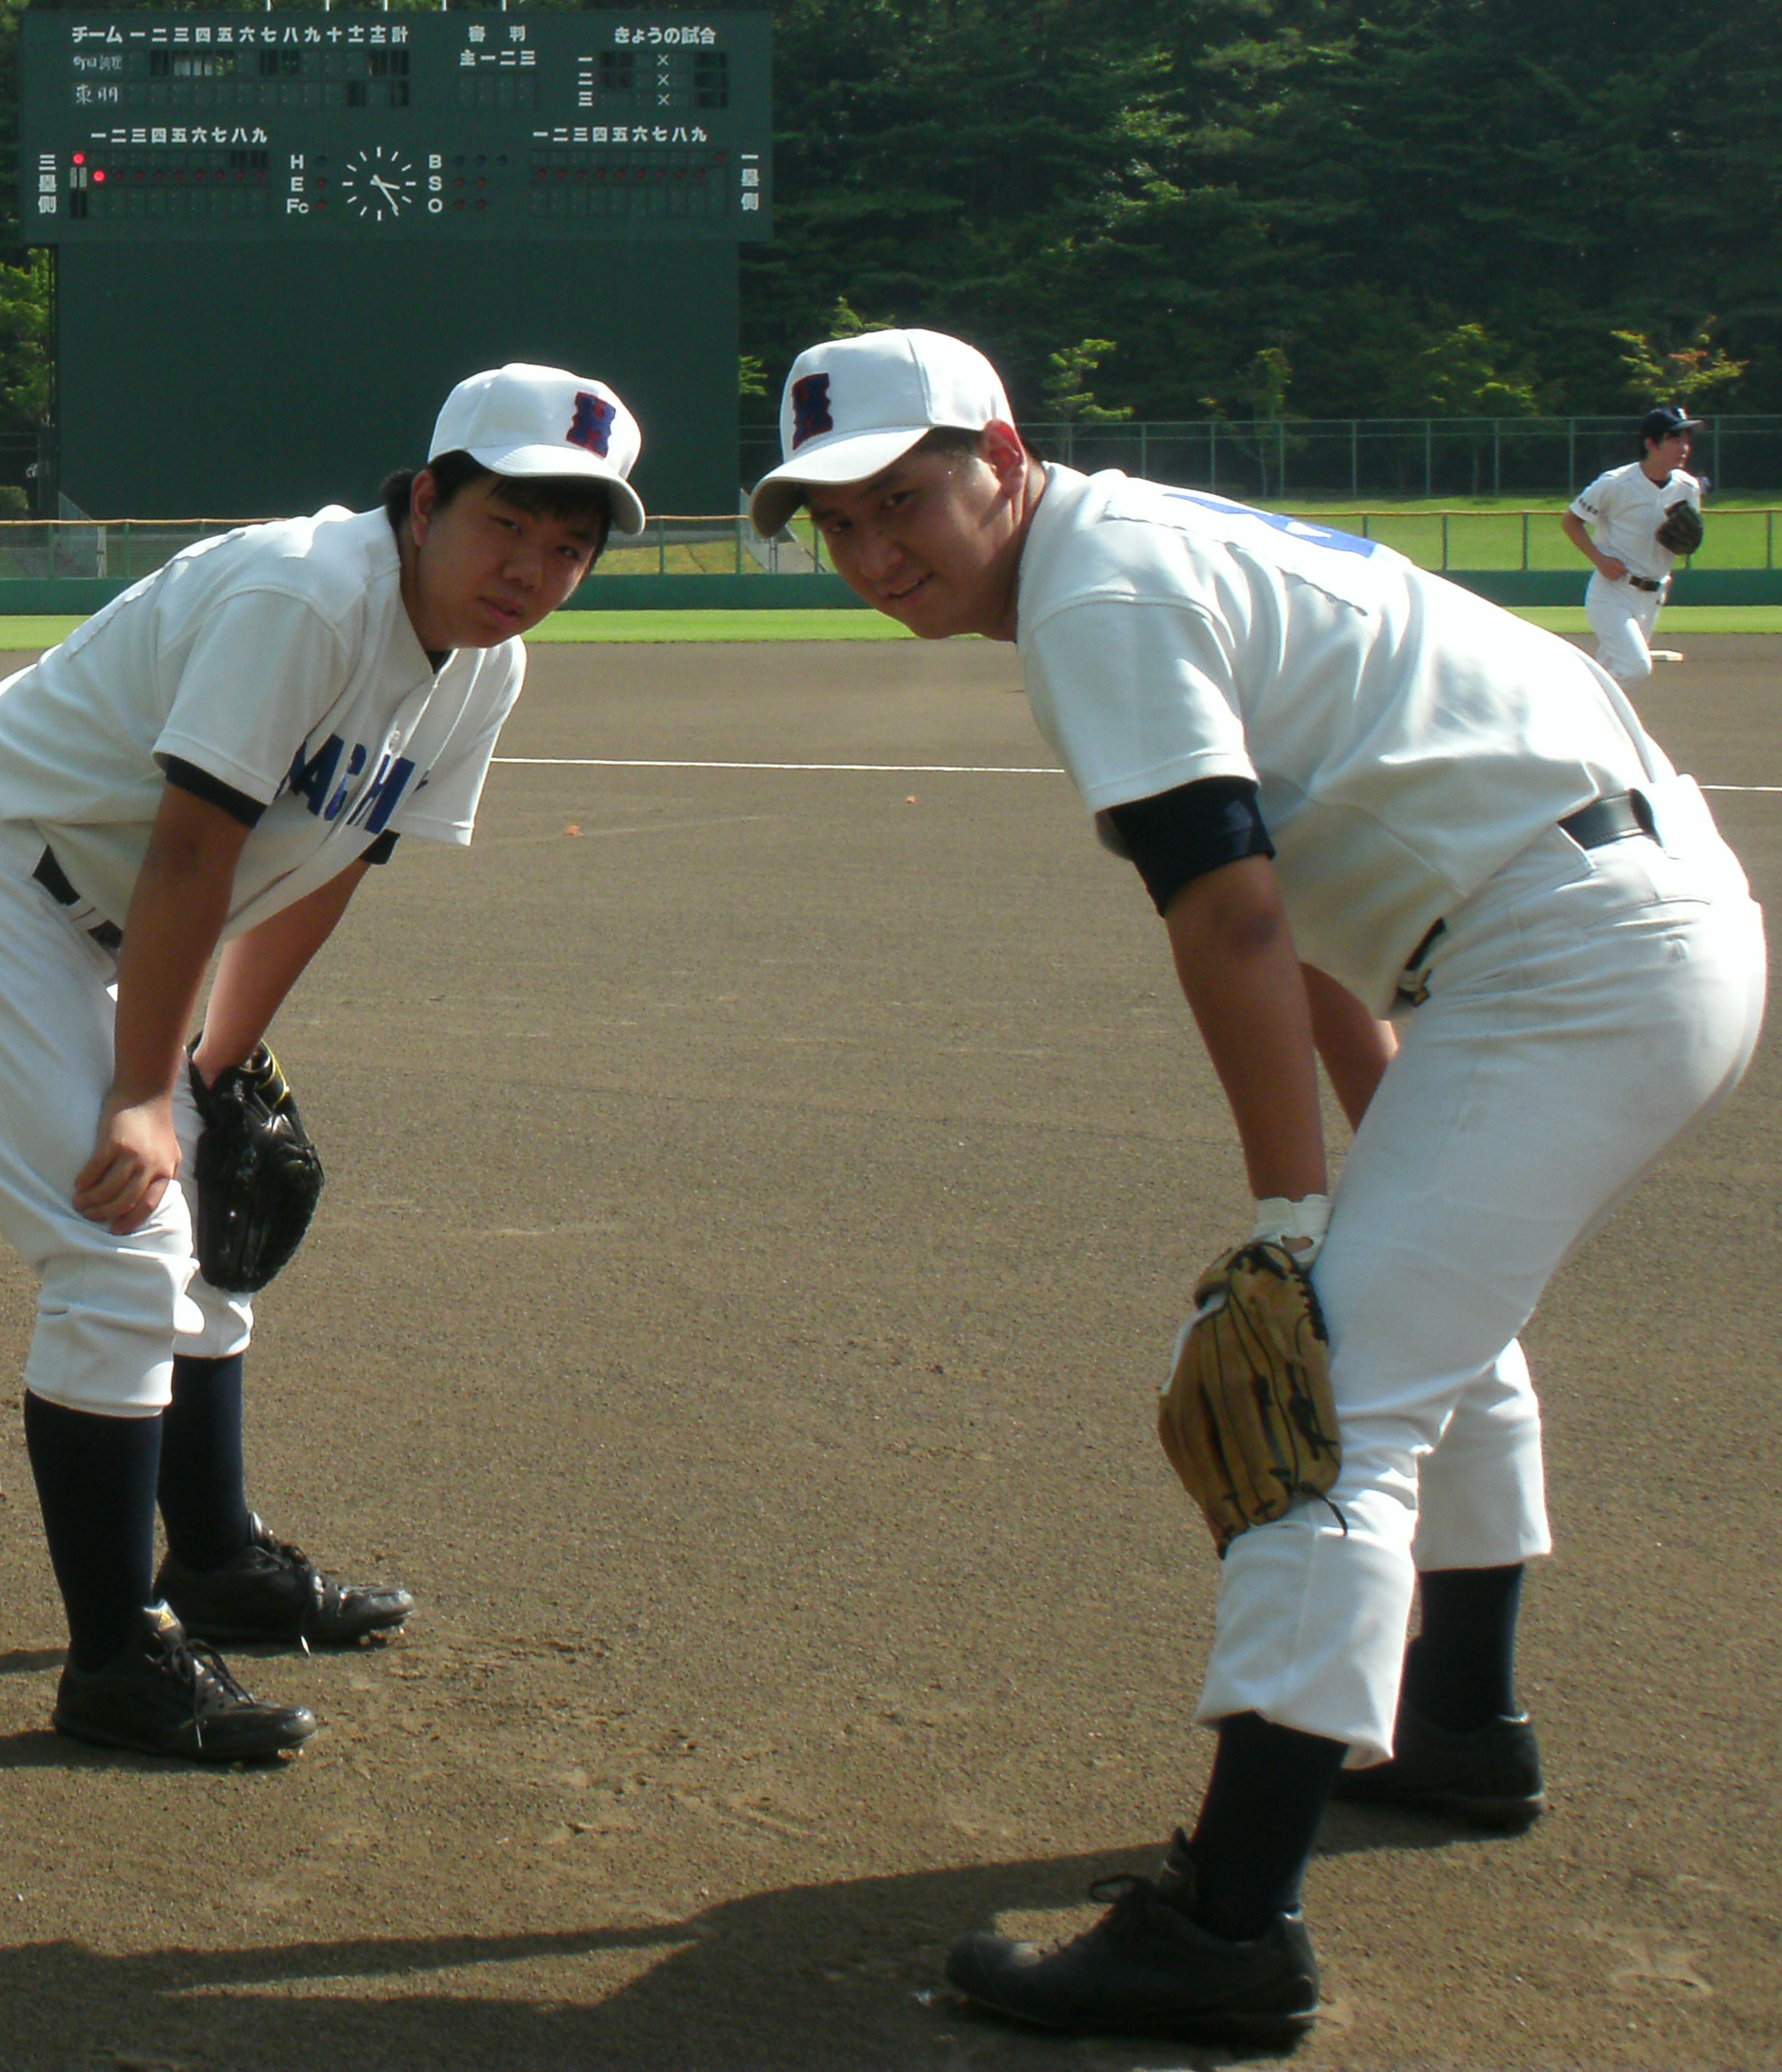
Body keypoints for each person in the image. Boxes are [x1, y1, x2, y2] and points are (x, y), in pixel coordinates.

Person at [751, 326, 1766, 2049]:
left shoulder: (1096, 598)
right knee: (1416, 1324)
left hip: (1567, 950)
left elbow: (1231, 916)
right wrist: (1357, 1170)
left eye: (902, 497)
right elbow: (1287, 893)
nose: (872, 552)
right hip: (1593, 924)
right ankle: (1457, 1731)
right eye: (833, 524)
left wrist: (1289, 1223)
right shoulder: (1132, 548)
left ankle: (1230, 1933)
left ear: (1001, 454)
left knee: (1331, 1401)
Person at [0, 365, 639, 1762]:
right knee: (121, 1244)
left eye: (568, 547)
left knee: (213, 1219)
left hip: (102, 924)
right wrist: (144, 1096)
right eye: (508, 525)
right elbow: (193, 847)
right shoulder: (303, 597)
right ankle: (113, 1663)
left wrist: (220, 1065)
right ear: (424, 502)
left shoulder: (483, 669)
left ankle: (210, 1560)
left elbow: (330, 865)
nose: (533, 568)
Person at [1563, 406, 1709, 687]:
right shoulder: (1616, 483)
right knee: (1635, 667)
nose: (1684, 447)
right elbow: (1571, 522)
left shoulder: (1687, 487)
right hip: (1613, 592)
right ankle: (1580, 709)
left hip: (1653, 596)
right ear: (1651, 443)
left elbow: (1684, 539)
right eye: (1675, 439)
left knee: (1607, 674)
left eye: (1686, 440)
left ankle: (1583, 722)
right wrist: (1600, 559)